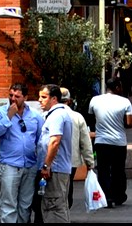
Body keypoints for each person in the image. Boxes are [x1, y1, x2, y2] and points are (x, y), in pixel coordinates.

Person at [0, 82, 43, 223]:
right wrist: (9, 116)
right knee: (8, 205)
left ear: (25, 97)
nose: (13, 99)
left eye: (17, 96)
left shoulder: (35, 116)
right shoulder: (0, 112)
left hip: (30, 165)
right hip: (9, 165)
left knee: (25, 205)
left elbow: (40, 140)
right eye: (11, 95)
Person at [87, 78, 132, 208]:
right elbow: (130, 123)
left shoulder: (95, 100)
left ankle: (106, 197)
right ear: (118, 87)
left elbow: (91, 118)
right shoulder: (125, 102)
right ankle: (118, 195)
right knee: (118, 170)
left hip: (101, 141)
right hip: (119, 142)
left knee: (103, 170)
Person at [38, 86, 77, 221]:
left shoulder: (57, 115)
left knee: (54, 207)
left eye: (44, 97)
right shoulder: (55, 114)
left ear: (54, 99)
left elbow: (54, 141)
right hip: (56, 169)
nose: (39, 100)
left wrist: (46, 165)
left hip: (55, 170)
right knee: (56, 206)